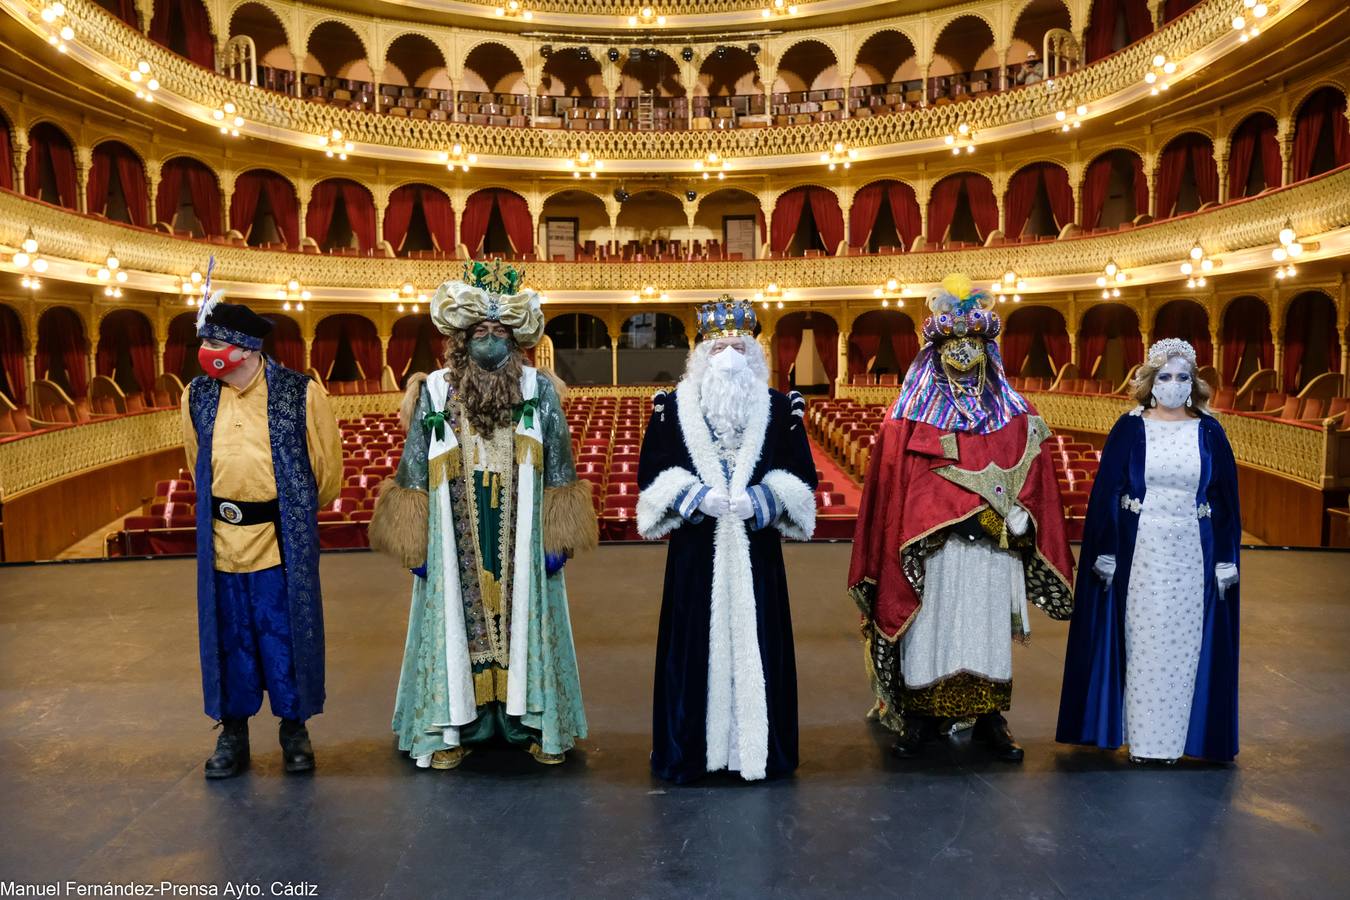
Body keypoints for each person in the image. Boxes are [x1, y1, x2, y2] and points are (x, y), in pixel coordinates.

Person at [370, 260, 596, 770]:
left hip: (523, 529)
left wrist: (558, 536)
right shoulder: (435, 391)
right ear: (461, 337)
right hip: (455, 533)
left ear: (516, 339)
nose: (490, 340)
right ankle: (459, 724)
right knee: (456, 616)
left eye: (500, 331)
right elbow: (411, 469)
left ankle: (526, 721)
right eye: (481, 331)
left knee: (523, 618)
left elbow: (561, 464)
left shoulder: (539, 391)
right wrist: (415, 540)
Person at [848, 274, 1074, 762]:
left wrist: (1018, 521)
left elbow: (1035, 486)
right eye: (954, 343)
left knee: (986, 631)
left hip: (992, 555)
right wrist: (955, 520)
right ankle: (923, 719)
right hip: (933, 555)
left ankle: (991, 719)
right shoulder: (908, 419)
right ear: (936, 350)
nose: (964, 354)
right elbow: (896, 496)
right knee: (930, 628)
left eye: (974, 343)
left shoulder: (1017, 416)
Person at [636, 297, 817, 783]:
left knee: (762, 641)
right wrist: (693, 496)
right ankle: (692, 751)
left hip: (757, 550)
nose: (729, 355)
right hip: (697, 551)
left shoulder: (781, 408)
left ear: (753, 352)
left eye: (738, 345)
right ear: (701, 354)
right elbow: (650, 473)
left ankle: (757, 750)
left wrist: (764, 499)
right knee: (693, 645)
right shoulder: (671, 408)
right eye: (719, 347)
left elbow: (802, 475)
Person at [182, 281, 341, 779]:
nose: (207, 355)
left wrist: (287, 514)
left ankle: (294, 729)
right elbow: (195, 465)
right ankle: (233, 732)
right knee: (231, 638)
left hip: (279, 540)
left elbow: (326, 470)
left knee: (285, 634)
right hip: (221, 541)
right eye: (204, 345)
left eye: (215, 345)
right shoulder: (197, 396)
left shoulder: (302, 392)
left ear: (245, 350)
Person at [1056, 338, 1241, 764]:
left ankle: (1177, 743)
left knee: (1186, 644)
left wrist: (1226, 557)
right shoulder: (1130, 426)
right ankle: (1143, 742)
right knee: (1143, 641)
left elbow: (1227, 500)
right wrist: (1105, 550)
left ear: (1193, 384)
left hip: (1192, 551)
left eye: (1182, 378)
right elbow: (1106, 495)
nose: (1173, 385)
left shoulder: (1209, 430)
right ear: (1150, 382)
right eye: (1165, 377)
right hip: (1142, 551)